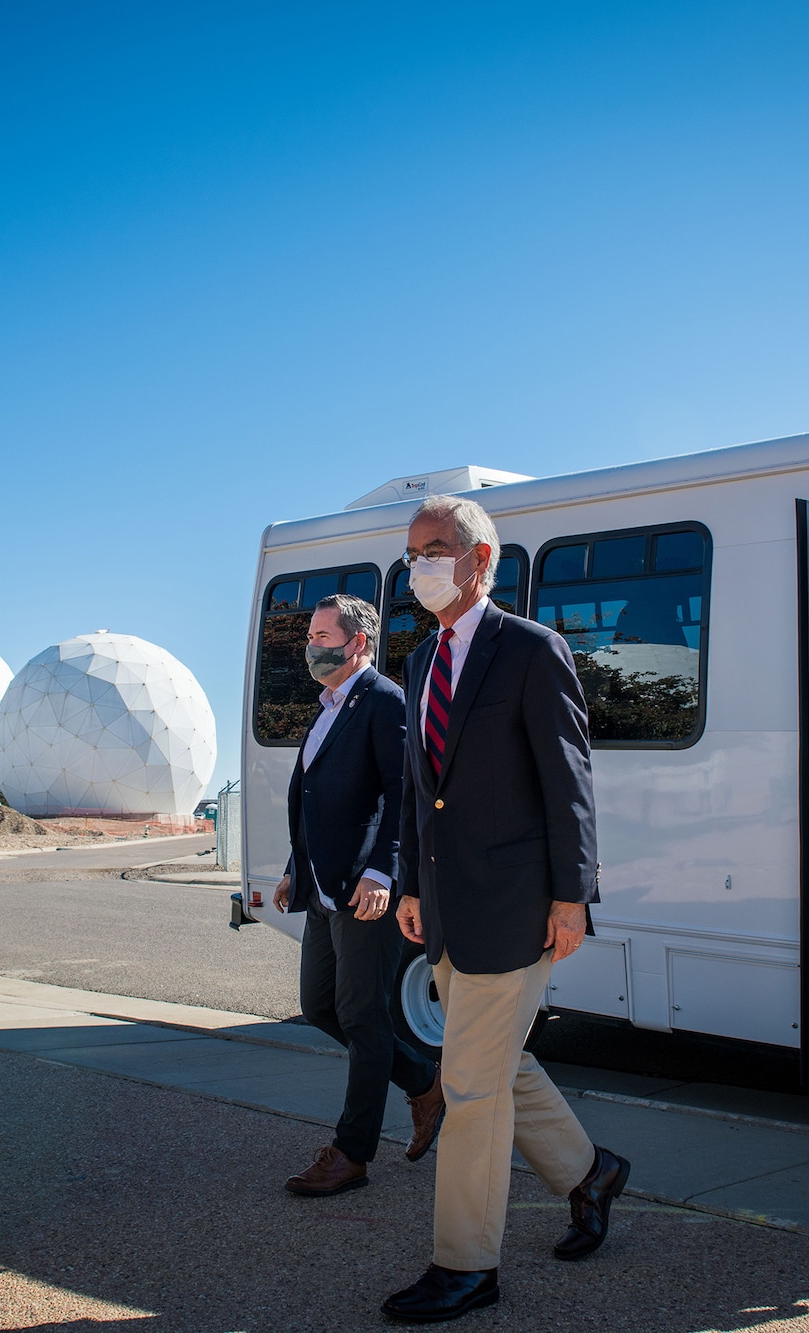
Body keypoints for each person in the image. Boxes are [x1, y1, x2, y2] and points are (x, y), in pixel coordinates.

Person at [381, 494, 629, 1324]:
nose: (418, 565)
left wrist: (573, 895)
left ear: (479, 559)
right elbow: (424, 791)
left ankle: (465, 1265)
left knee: (472, 1090)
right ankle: (590, 1172)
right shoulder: (419, 663)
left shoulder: (531, 650)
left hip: (518, 903)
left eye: (435, 548)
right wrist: (413, 882)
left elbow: (570, 782)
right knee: (495, 1063)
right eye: (412, 551)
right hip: (448, 906)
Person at [273, 593, 446, 1197]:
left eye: (324, 635)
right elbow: (316, 801)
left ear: (359, 644)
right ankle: (424, 1081)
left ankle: (351, 1153)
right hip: (323, 885)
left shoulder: (383, 703)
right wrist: (297, 867)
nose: (312, 646)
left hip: (364, 890)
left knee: (364, 1017)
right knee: (320, 1005)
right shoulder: (325, 707)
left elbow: (406, 796)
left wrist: (383, 873)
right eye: (311, 635)